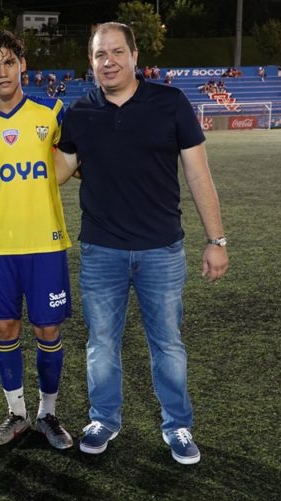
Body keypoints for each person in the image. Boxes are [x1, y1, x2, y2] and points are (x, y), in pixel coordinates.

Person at [55, 22, 229, 465]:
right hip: (101, 250)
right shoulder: (77, 113)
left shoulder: (169, 103)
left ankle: (178, 425)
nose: (107, 61)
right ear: (90, 61)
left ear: (135, 56)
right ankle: (103, 419)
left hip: (161, 250)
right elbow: (55, 172)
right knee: (100, 343)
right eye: (99, 54)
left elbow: (197, 174)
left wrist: (216, 240)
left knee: (167, 344)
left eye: (116, 52)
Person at [0, 31, 74, 450]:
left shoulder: (52, 111)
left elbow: (74, 160)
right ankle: (16, 414)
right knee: (5, 326)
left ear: (22, 65)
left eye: (9, 61)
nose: (3, 70)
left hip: (45, 242)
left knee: (48, 328)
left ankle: (48, 414)